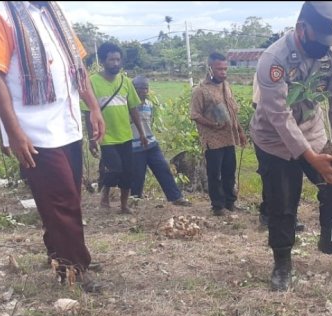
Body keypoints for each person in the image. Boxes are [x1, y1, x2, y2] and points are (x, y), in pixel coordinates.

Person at [0, 1, 106, 292]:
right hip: (34, 132)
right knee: (62, 203)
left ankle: (60, 256)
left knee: (68, 198)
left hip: (67, 125)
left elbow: (77, 65)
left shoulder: (51, 11)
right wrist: (14, 132)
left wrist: (94, 108)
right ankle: (75, 268)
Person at [251, 1, 332, 291]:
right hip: (274, 140)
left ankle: (331, 239)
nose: (327, 47)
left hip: (312, 131)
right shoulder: (274, 60)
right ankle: (283, 263)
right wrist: (312, 159)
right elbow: (280, 117)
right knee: (282, 203)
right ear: (302, 29)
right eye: (322, 40)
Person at [85, 42, 147, 214]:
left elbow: (133, 108)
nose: (116, 63)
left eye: (118, 60)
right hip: (106, 137)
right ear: (103, 61)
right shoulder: (92, 83)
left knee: (128, 171)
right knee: (115, 168)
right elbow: (87, 113)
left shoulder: (125, 82)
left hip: (125, 136)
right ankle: (104, 196)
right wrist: (92, 139)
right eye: (111, 60)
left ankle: (124, 205)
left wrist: (141, 133)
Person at [190, 52, 246, 216]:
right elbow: (194, 115)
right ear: (210, 68)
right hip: (212, 140)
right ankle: (218, 206)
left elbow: (233, 111)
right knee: (215, 174)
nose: (223, 72)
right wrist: (212, 125)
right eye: (219, 69)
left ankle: (230, 202)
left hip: (229, 138)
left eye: (225, 69)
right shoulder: (200, 91)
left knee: (229, 172)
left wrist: (241, 132)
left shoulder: (225, 86)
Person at [252, 74, 305, 232]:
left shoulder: (300, 74)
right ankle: (267, 213)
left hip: (293, 135)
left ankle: (291, 217)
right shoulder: (267, 73)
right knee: (272, 177)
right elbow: (257, 104)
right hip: (269, 136)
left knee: (295, 176)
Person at [129, 75, 191, 206]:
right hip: (135, 146)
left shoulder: (149, 105)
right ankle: (134, 200)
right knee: (137, 175)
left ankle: (175, 197)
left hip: (151, 144)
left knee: (163, 169)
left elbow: (148, 124)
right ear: (133, 89)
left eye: (146, 88)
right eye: (139, 88)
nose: (143, 91)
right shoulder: (127, 106)